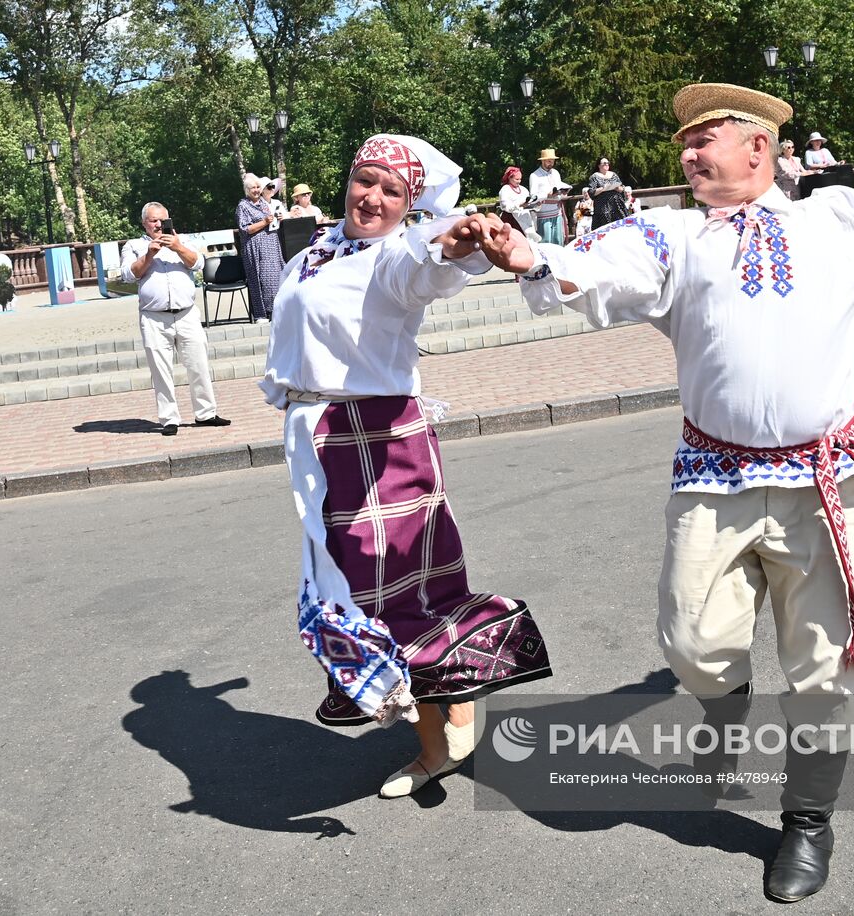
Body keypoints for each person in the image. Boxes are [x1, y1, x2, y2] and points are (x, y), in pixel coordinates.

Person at [465, 82, 854, 903]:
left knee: (826, 671)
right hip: (715, 478)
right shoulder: (671, 235)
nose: (686, 151)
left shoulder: (839, 225)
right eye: (685, 140)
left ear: (758, 147)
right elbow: (593, 267)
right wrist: (531, 257)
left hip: (825, 482)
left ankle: (807, 822)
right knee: (690, 641)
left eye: (702, 137)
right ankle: (725, 711)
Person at [258, 134, 553, 799]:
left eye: (394, 192)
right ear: (348, 180)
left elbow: (424, 269)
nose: (374, 198)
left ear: (408, 205)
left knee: (393, 596)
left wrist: (455, 244)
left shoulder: (396, 255)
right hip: (319, 438)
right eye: (367, 181)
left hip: (376, 436)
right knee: (364, 589)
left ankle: (438, 736)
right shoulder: (314, 252)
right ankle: (449, 715)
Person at [120, 202, 232, 436]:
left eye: (163, 220)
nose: (159, 225)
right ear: (144, 223)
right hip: (154, 317)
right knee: (160, 369)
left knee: (198, 364)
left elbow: (199, 263)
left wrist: (179, 247)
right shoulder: (134, 245)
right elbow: (128, 275)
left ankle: (206, 413)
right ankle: (169, 418)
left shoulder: (182, 240)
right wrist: (150, 254)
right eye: (153, 221)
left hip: (186, 313)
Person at [236, 174, 284, 319]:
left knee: (276, 276)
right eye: (253, 188)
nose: (256, 190)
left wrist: (278, 219)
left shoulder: (264, 203)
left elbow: (271, 222)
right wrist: (264, 222)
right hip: (255, 248)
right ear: (247, 190)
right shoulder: (243, 206)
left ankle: (278, 309)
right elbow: (245, 229)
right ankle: (264, 313)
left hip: (271, 244)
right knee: (262, 279)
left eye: (258, 187)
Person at [528, 148, 569, 244]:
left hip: (557, 211)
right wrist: (547, 195)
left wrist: (563, 192)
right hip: (544, 213)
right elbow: (533, 196)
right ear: (542, 161)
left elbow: (559, 186)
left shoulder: (555, 173)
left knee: (558, 240)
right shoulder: (535, 176)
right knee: (546, 240)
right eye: (548, 161)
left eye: (553, 161)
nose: (551, 163)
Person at [588, 157, 629, 228]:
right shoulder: (594, 177)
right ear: (599, 165)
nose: (607, 165)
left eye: (608, 163)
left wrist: (617, 188)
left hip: (617, 206)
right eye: (604, 163)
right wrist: (603, 188)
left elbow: (622, 188)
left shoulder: (614, 175)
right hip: (603, 208)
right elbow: (592, 192)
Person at [497, 165, 534, 234]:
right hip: (511, 220)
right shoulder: (505, 189)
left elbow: (528, 202)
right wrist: (519, 205)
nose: (519, 181)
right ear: (510, 178)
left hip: (524, 220)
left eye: (520, 179)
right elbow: (505, 206)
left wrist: (534, 204)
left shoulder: (523, 189)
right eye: (517, 179)